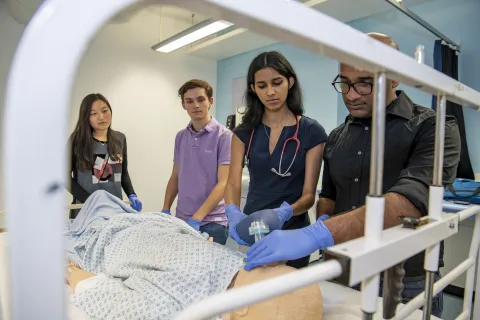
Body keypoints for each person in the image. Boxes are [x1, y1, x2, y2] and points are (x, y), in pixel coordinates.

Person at [242, 33, 461, 318]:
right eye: (344, 83)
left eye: (364, 84)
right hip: (345, 268)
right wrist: (323, 226)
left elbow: (409, 203)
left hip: (405, 277)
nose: (351, 94)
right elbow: (329, 197)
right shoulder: (337, 137)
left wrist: (316, 234)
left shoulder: (433, 127)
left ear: (395, 78)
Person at [65, 190, 324, 320]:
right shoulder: (236, 265)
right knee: (100, 195)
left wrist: (76, 275)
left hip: (97, 238)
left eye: (269, 271)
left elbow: (103, 295)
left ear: (243, 307)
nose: (270, 261)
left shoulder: (180, 308)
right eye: (277, 267)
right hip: (139, 222)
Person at [224, 51, 328, 269]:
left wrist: (285, 212)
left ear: (290, 82)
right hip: (253, 230)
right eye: (262, 86)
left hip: (293, 234)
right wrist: (233, 212)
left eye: (277, 82)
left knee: (291, 295)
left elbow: (309, 195)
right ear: (253, 89)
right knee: (255, 295)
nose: (270, 92)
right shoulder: (244, 133)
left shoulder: (312, 132)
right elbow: (232, 183)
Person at [162, 79, 232, 245]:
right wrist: (165, 208)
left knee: (209, 270)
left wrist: (197, 218)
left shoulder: (224, 136)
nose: (196, 105)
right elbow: (175, 176)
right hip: (182, 219)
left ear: (210, 101)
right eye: (189, 101)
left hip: (213, 222)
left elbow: (223, 184)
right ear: (183, 105)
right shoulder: (181, 136)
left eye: (201, 99)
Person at [68, 93, 142, 218]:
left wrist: (131, 194)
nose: (101, 117)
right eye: (93, 113)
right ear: (86, 117)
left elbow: (123, 172)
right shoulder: (76, 140)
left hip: (115, 211)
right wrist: (89, 199)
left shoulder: (120, 138)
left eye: (104, 111)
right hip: (86, 211)